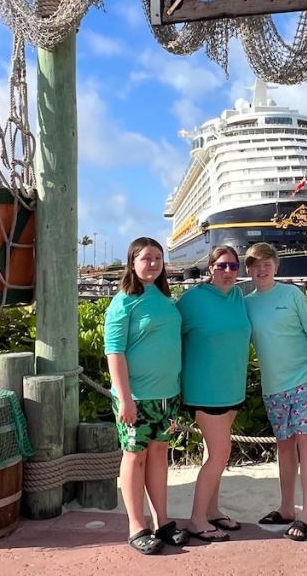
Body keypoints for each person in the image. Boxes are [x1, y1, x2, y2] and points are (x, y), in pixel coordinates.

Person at [104, 237, 188, 555]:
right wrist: (124, 398)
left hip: (167, 395)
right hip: (136, 397)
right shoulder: (124, 301)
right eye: (145, 258)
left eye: (157, 257)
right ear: (132, 262)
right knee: (134, 457)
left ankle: (163, 521)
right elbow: (114, 352)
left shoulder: (165, 298)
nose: (152, 263)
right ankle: (136, 526)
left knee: (158, 457)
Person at [244, 243, 307, 542]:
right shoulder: (247, 303)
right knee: (284, 445)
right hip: (273, 387)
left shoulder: (292, 294)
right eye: (255, 264)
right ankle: (287, 507)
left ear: (277, 266)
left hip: (304, 382)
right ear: (248, 270)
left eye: (267, 263)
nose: (261, 269)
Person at [177, 245, 252, 542]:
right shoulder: (193, 300)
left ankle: (212, 510)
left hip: (232, 387)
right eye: (221, 266)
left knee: (214, 451)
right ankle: (196, 519)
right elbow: (167, 331)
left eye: (233, 266)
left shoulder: (237, 296)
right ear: (210, 268)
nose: (228, 272)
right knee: (221, 453)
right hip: (205, 390)